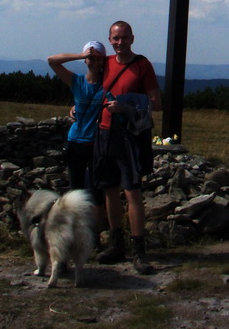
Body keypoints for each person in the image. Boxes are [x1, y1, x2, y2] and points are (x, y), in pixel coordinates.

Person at [94, 20, 162, 274]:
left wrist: (125, 105)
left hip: (130, 136)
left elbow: (156, 102)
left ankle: (139, 251)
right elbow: (93, 90)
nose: (120, 43)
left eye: (124, 38)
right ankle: (116, 244)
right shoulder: (105, 64)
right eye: (115, 38)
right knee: (110, 189)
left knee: (132, 191)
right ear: (109, 40)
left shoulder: (142, 65)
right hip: (105, 132)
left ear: (132, 38)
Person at [47, 41, 107, 208]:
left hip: (98, 144)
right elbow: (52, 60)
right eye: (90, 58)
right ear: (85, 60)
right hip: (76, 142)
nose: (95, 62)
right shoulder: (76, 81)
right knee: (76, 189)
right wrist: (81, 55)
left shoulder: (109, 83)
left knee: (98, 190)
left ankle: (96, 228)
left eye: (98, 58)